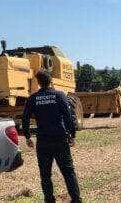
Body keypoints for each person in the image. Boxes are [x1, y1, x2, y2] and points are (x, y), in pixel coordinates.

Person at [22, 69, 82, 203]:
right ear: (50, 81)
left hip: (43, 141)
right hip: (60, 139)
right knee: (68, 171)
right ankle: (76, 199)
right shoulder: (59, 95)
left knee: (45, 174)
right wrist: (72, 134)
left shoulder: (33, 98)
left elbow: (25, 117)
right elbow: (68, 116)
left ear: (38, 82)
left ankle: (49, 200)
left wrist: (27, 136)